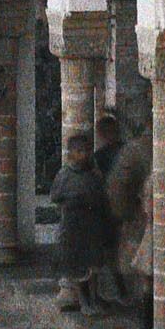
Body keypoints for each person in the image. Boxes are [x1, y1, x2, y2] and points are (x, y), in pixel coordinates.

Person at [50, 131, 112, 314]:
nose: (84, 155)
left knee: (94, 266)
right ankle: (84, 302)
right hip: (73, 225)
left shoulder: (93, 175)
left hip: (92, 225)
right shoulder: (65, 174)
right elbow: (56, 196)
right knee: (79, 267)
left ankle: (95, 298)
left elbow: (101, 195)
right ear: (71, 153)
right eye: (79, 151)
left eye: (86, 151)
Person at [105, 118, 153, 329]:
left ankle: (148, 328)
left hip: (145, 221)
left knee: (145, 275)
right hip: (158, 220)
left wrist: (123, 215)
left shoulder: (135, 151)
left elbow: (118, 188)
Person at [92, 113, 126, 301]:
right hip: (122, 206)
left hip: (111, 208)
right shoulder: (126, 150)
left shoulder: (101, 156)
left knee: (111, 252)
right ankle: (121, 290)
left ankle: (119, 290)